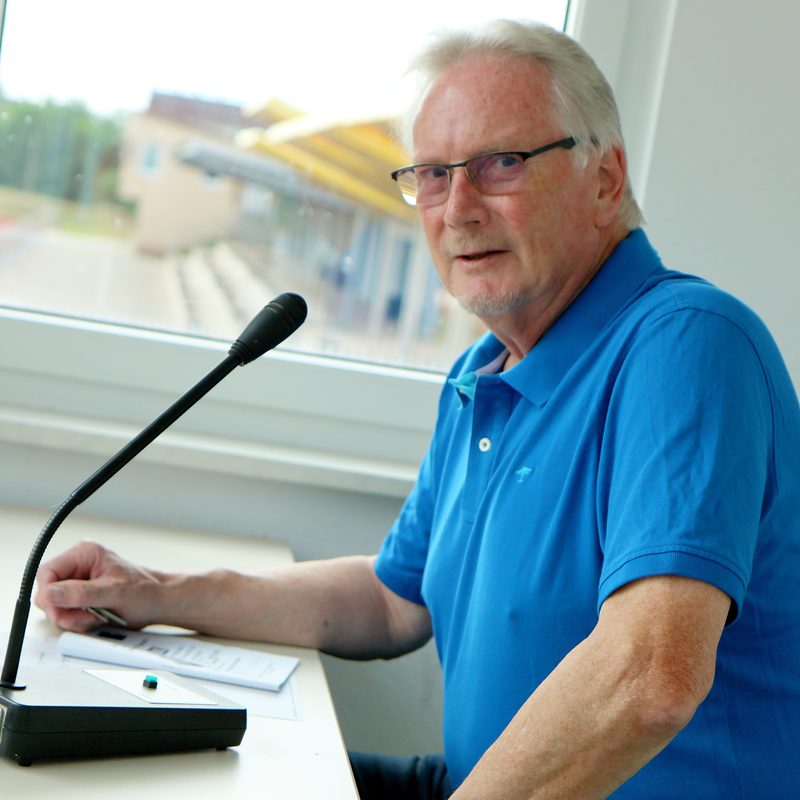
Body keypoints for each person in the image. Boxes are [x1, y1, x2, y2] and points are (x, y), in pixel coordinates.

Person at [35, 19, 800, 800]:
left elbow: (649, 678)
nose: (458, 208)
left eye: (501, 164)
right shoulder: (484, 373)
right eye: (433, 175)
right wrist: (159, 594)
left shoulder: (686, 346)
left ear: (605, 179)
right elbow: (394, 599)